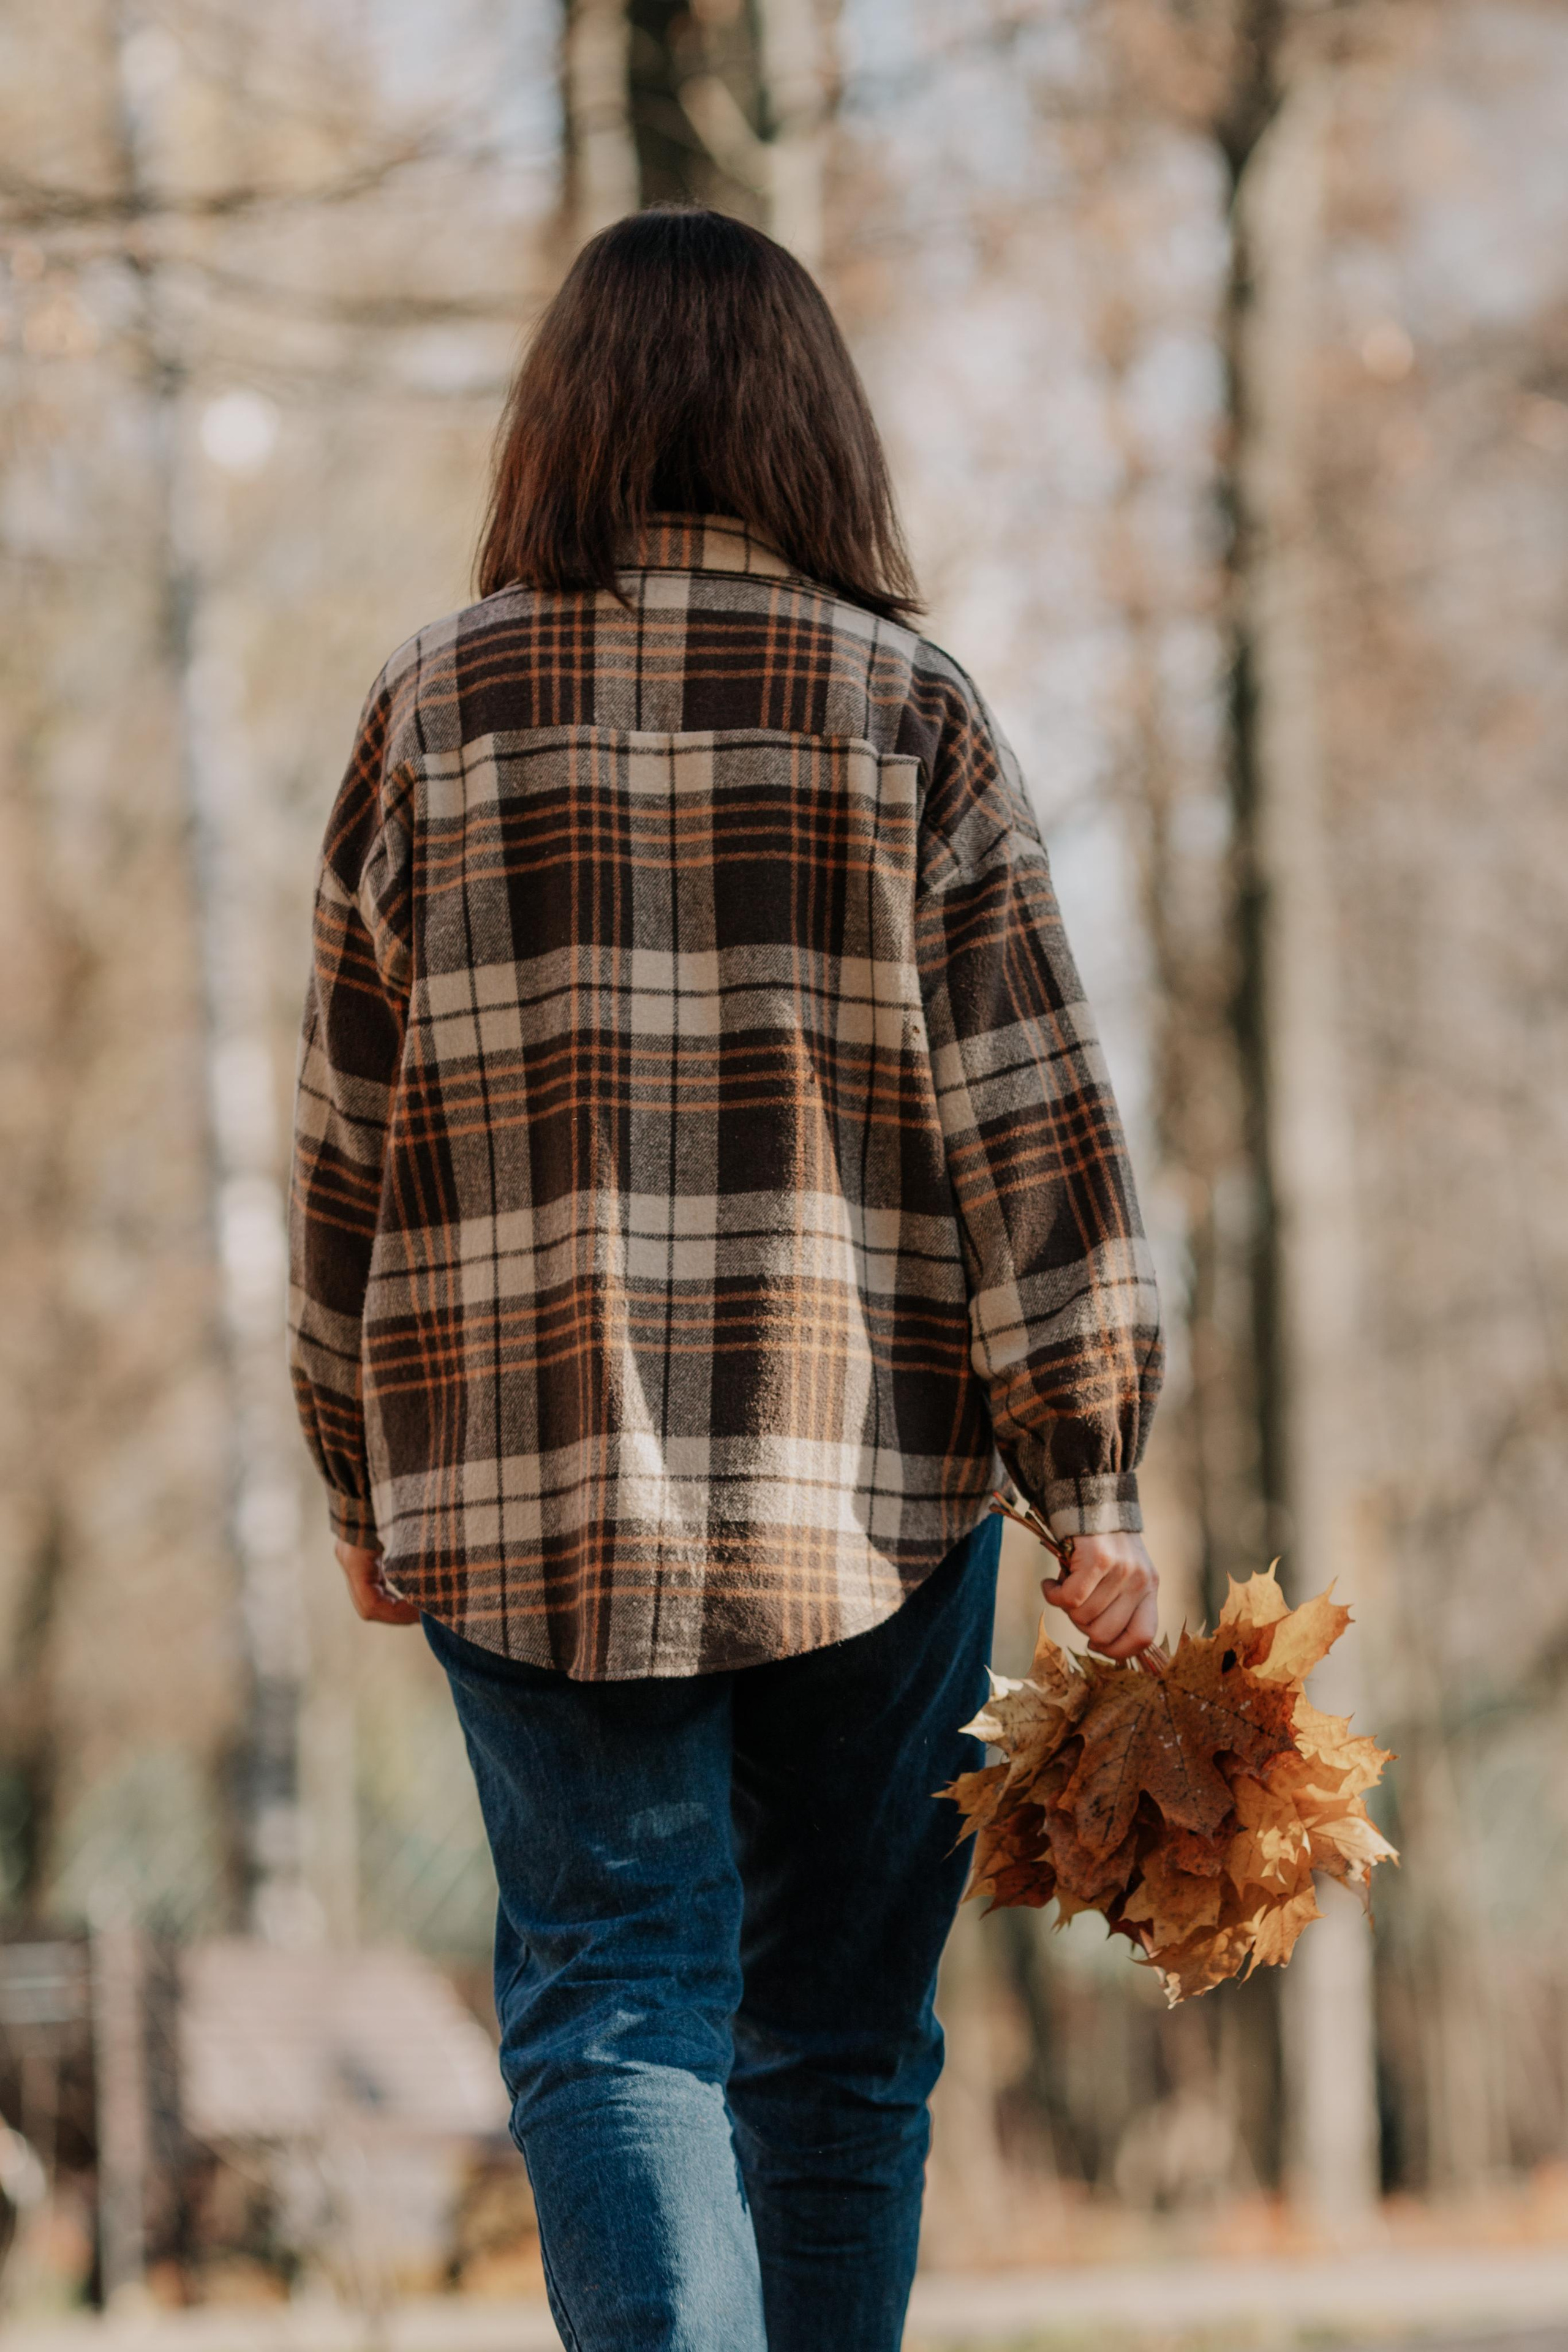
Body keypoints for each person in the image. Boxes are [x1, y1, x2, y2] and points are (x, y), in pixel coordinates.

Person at [288, 205, 1162, 2352]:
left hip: (518, 1486)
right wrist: (1096, 1477)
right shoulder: (911, 711)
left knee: (614, 2002)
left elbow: (342, 1147)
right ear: (815, 431)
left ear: (556, 419)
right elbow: (1033, 1122)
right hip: (861, 1489)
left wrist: (352, 1475)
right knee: (844, 2043)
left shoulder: (432, 708)